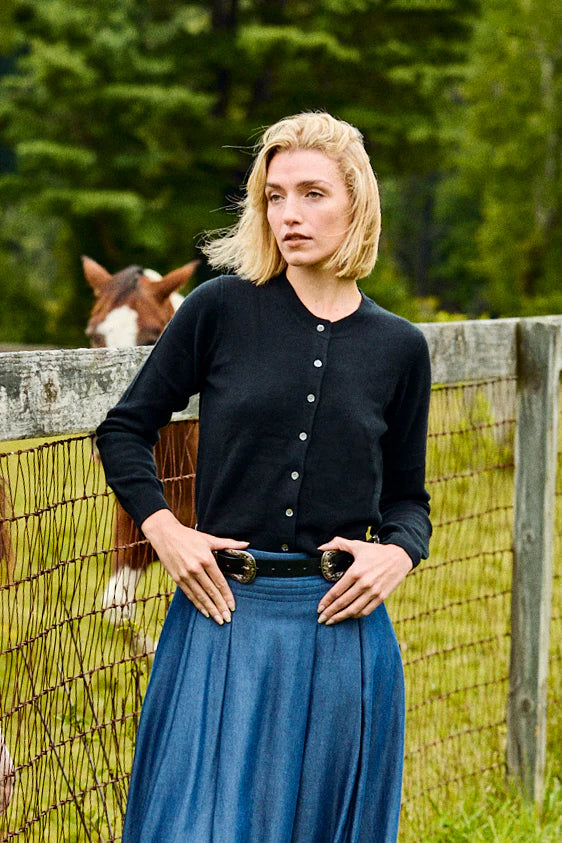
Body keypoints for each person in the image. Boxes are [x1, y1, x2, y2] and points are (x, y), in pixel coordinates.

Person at [96, 111, 432, 843]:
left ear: (356, 204)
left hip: (342, 630)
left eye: (311, 193)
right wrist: (166, 532)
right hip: (221, 615)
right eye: (274, 195)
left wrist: (397, 553)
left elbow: (409, 499)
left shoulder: (400, 348)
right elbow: (124, 429)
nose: (288, 214)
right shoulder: (220, 309)